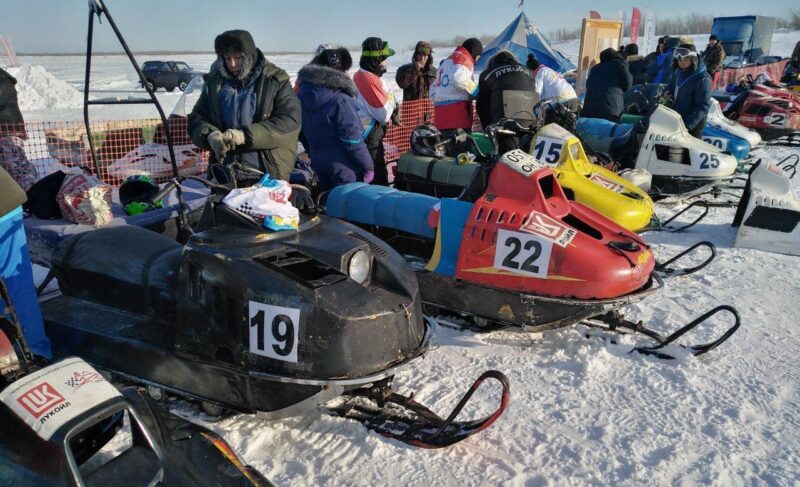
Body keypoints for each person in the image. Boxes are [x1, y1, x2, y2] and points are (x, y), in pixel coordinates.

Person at [188, 30, 301, 184]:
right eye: (227, 58)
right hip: (226, 173)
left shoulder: (275, 81)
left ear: (250, 55)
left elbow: (290, 122)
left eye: (238, 57)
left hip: (267, 173)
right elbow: (197, 118)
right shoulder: (215, 84)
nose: (232, 64)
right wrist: (209, 136)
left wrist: (245, 136)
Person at [297, 48, 374, 191]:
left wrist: (313, 150)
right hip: (344, 167)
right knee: (345, 208)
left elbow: (300, 131)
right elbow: (352, 140)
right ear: (339, 73)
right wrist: (368, 165)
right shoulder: (341, 101)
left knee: (326, 203)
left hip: (318, 163)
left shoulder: (301, 96)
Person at [0, 166, 51, 360]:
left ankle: (29, 354)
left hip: (3, 206)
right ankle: (34, 353)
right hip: (5, 200)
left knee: (13, 285)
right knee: (16, 286)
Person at [353, 37, 397, 186]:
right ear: (376, 60)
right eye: (384, 59)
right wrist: (390, 97)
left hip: (368, 138)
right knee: (377, 183)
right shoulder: (368, 80)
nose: (386, 63)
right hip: (369, 139)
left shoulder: (364, 76)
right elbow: (384, 114)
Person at [476, 51, 537, 153]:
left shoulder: (487, 75)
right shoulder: (529, 72)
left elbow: (483, 106)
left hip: (505, 123)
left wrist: (488, 127)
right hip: (531, 121)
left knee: (508, 158)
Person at [430, 38, 482, 152]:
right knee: (459, 157)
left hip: (440, 118)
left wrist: (441, 99)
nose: (476, 61)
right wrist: (476, 92)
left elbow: (433, 89)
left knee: (445, 157)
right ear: (474, 52)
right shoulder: (463, 59)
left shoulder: (447, 61)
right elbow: (459, 78)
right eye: (477, 57)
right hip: (458, 117)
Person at [0, 68, 38, 192]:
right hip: (6, 130)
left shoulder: (3, 81)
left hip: (9, 131)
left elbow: (2, 98)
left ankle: (35, 191)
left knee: (18, 168)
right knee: (7, 169)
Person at [666, 45, 711, 138]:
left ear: (693, 59)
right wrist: (667, 91)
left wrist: (688, 126)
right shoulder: (679, 72)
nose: (682, 63)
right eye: (679, 60)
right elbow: (673, 85)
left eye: (685, 60)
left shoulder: (703, 78)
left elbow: (703, 106)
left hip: (693, 125)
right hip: (678, 118)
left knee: (686, 152)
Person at [580, 47, 632, 122]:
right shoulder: (621, 64)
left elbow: (588, 85)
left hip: (589, 111)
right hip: (611, 111)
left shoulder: (594, 69)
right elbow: (628, 85)